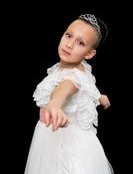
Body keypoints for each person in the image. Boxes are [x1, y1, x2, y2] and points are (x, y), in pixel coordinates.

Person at [24, 14, 114, 174]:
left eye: (81, 43)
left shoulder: (71, 78)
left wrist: (54, 104)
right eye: (69, 35)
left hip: (67, 145)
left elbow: (65, 88)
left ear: (89, 54)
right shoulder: (81, 67)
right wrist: (100, 97)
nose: (70, 44)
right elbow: (87, 85)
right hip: (62, 138)